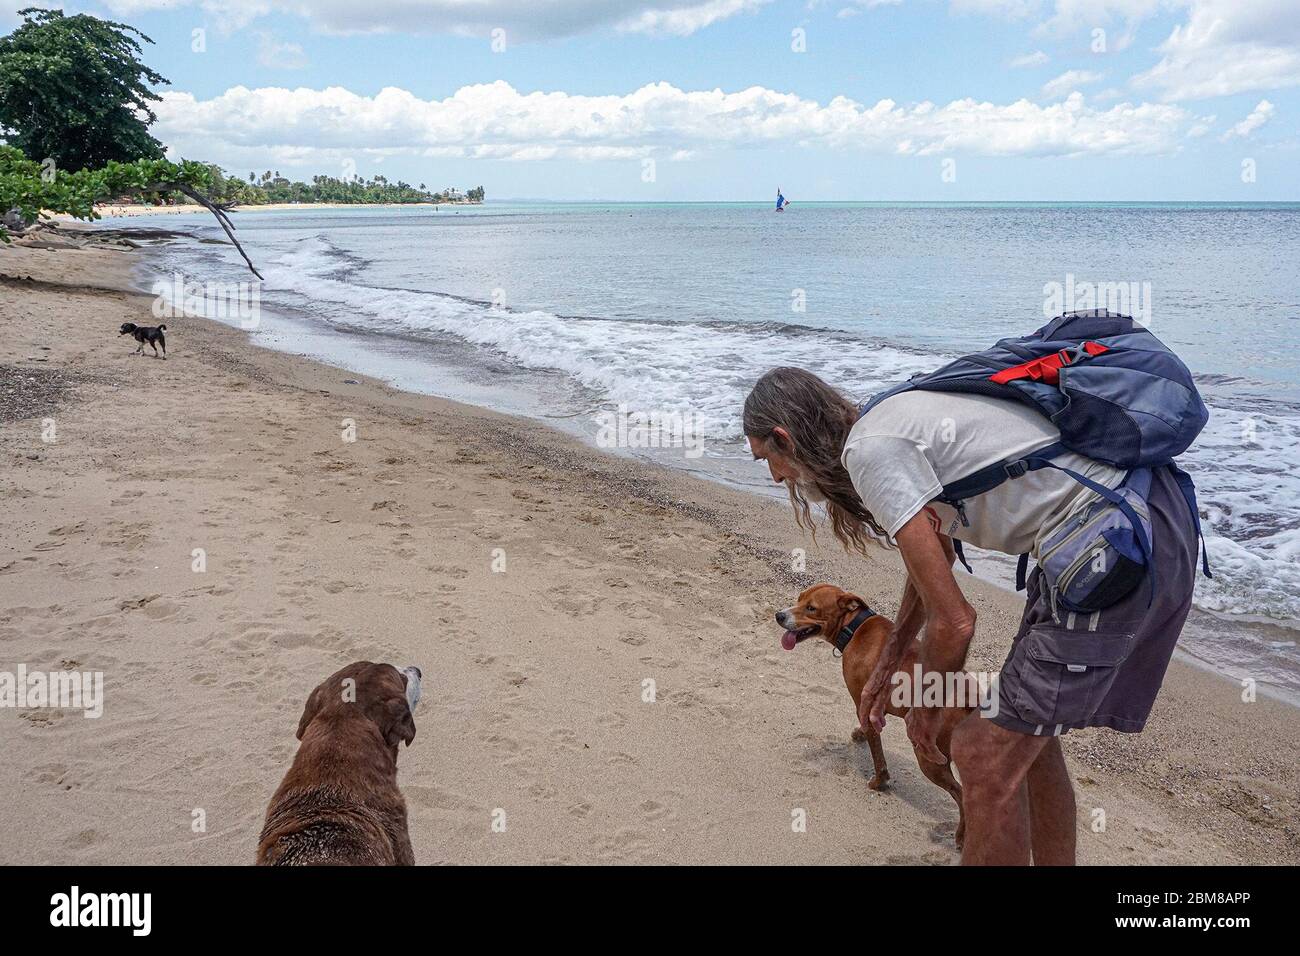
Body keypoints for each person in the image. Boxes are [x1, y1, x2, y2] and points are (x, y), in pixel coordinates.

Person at [743, 366, 1198, 865]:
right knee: (1031, 746)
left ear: (785, 437)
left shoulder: (870, 452)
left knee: (981, 751)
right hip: (1119, 529)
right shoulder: (886, 423)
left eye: (769, 459)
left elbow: (956, 619)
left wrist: (922, 710)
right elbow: (935, 560)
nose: (775, 476)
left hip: (1115, 542)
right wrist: (892, 656)